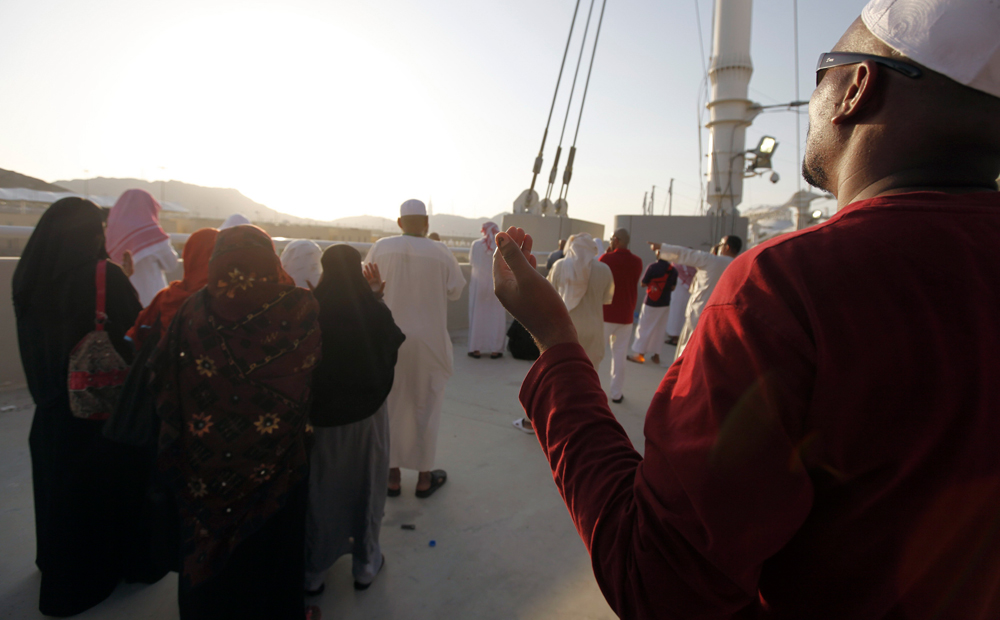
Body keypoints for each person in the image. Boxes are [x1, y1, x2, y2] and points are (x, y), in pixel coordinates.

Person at [491, 1, 1000, 616]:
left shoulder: (789, 286)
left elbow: (657, 580)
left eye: (824, 69)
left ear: (856, 89)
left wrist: (554, 339)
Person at [154, 225, 322, 620]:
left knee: (209, 553)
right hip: (278, 467)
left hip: (204, 468)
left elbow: (163, 383)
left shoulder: (190, 312)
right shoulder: (299, 307)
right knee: (271, 557)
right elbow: (312, 379)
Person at [13, 197, 145, 616]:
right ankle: (91, 581)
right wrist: (122, 281)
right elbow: (134, 336)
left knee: (59, 499)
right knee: (97, 501)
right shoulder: (102, 275)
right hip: (97, 417)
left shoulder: (29, 277)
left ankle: (57, 570)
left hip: (51, 414)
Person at [304, 245, 405, 595]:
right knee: (368, 487)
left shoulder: (311, 310)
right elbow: (392, 344)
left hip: (322, 424)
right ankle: (365, 564)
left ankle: (314, 571)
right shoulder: (371, 311)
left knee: (322, 493)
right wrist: (376, 297)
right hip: (368, 419)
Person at [364, 199, 466, 498]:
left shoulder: (381, 247)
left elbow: (366, 285)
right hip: (429, 342)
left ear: (399, 222)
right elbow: (455, 291)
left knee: (391, 406)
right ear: (426, 223)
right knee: (426, 405)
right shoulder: (441, 251)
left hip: (388, 340)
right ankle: (424, 478)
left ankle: (392, 477)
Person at [649, 234, 741, 359]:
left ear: (727, 247)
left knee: (686, 352)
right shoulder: (739, 265)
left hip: (699, 314)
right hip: (721, 320)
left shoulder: (712, 260)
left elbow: (687, 254)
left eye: (720, 244)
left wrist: (662, 247)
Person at [127, 227, 219, 350]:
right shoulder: (229, 302)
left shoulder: (166, 297)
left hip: (166, 367)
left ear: (189, 255)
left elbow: (136, 338)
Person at [106, 189, 179, 307]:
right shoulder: (153, 233)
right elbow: (171, 265)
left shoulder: (111, 233)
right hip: (151, 301)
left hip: (120, 301)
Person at [600, 229, 643, 403]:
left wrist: (606, 253)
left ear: (616, 240)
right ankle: (616, 393)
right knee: (619, 356)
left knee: (596, 354)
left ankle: (589, 390)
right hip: (626, 316)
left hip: (605, 314)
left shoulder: (606, 259)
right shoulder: (638, 261)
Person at [626, 246, 677, 366]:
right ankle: (656, 356)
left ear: (659, 254)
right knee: (659, 330)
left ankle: (639, 355)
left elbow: (643, 283)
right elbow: (673, 287)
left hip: (651, 302)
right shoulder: (673, 270)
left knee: (644, 327)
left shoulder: (653, 267)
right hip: (665, 303)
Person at [467, 222, 506, 359]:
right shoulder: (501, 246)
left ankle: (475, 348)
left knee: (478, 317)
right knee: (496, 318)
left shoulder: (476, 245)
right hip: (496, 285)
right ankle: (495, 350)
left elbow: (472, 262)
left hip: (479, 286)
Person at [664, 263, 695, 346]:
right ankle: (676, 337)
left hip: (679, 294)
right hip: (685, 293)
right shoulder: (694, 268)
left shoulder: (677, 266)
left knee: (676, 314)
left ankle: (675, 338)